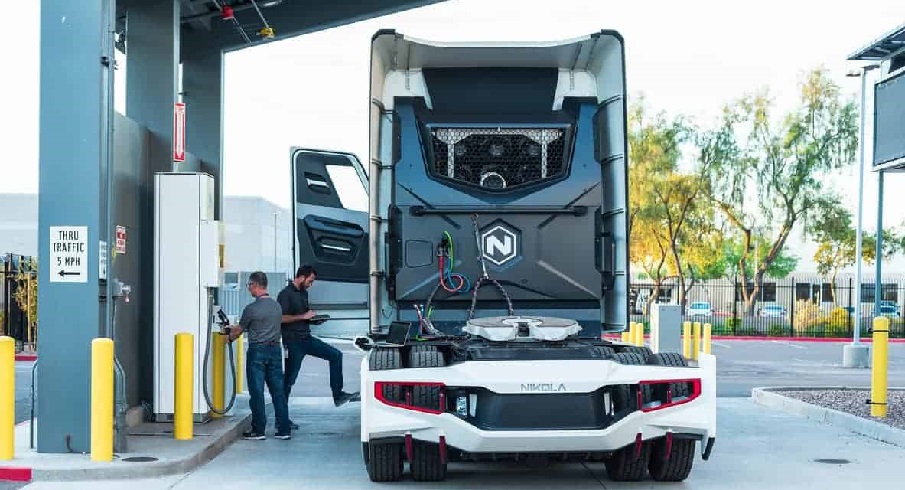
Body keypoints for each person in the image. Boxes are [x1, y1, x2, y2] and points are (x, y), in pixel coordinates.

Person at [278, 265, 359, 427]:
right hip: (293, 343)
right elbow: (281, 318)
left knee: (336, 355)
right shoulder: (285, 295)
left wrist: (313, 319)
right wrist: (303, 316)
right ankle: (282, 421)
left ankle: (338, 394)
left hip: (306, 339)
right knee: (288, 381)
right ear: (301, 277)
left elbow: (303, 317)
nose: (311, 284)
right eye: (310, 281)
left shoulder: (303, 293)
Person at [228, 271, 291, 440]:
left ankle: (258, 430)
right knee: (278, 391)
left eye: (249, 285)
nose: (248, 288)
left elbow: (239, 331)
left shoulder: (251, 309)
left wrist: (228, 335)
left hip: (257, 351)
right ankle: (284, 429)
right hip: (275, 350)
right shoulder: (277, 306)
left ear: (255, 285)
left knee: (257, 392)